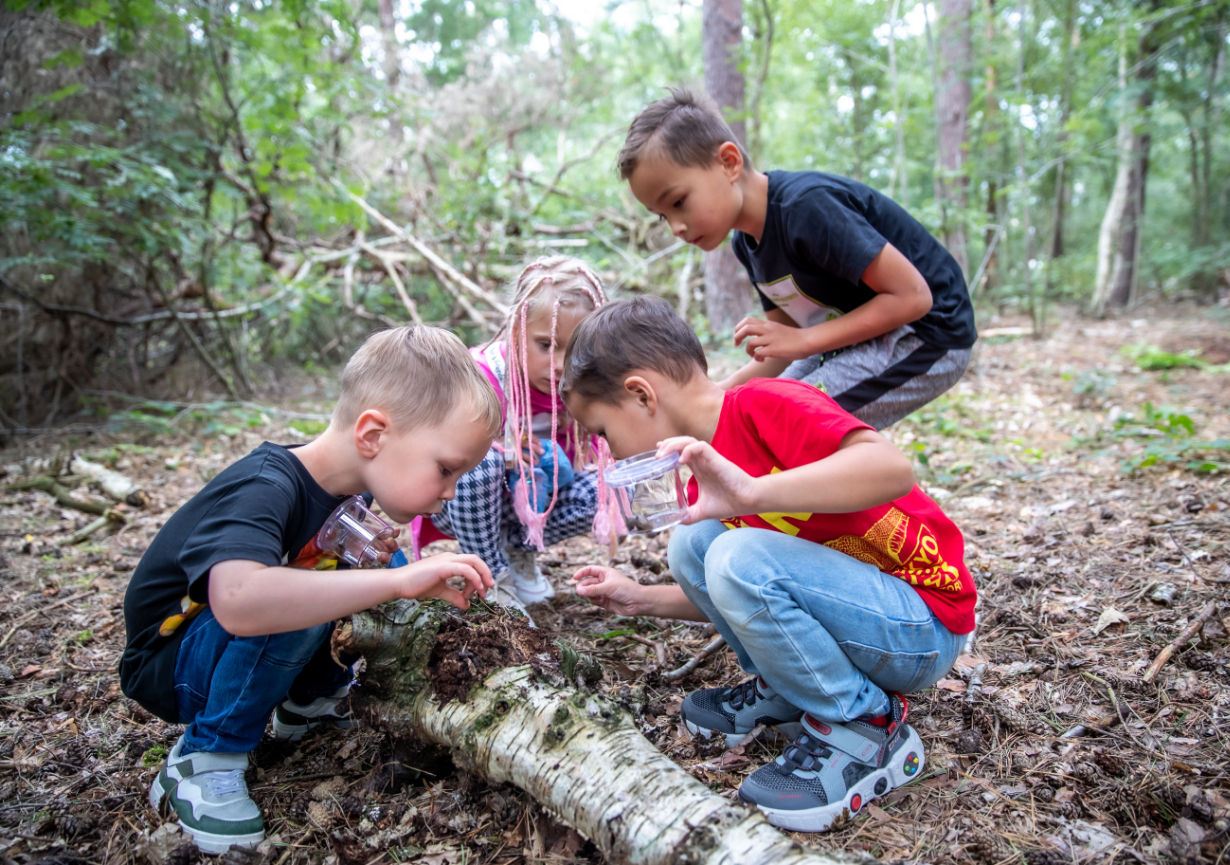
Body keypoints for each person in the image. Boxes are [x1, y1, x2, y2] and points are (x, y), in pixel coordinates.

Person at [561, 297, 976, 833]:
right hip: (860, 619)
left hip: (921, 626)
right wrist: (640, 599)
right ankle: (787, 690)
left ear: (641, 395)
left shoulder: (764, 404)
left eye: (602, 433)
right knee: (695, 545)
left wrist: (752, 492)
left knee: (734, 551)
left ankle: (865, 725)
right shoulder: (702, 476)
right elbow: (750, 594)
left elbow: (892, 467)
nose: (611, 455)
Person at [118, 325, 499, 854]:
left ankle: (308, 704)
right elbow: (238, 600)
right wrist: (393, 581)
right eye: (446, 470)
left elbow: (372, 582)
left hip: (221, 649)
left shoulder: (352, 495)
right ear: (372, 435)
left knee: (359, 567)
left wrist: (410, 584)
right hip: (173, 663)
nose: (449, 494)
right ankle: (204, 757)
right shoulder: (267, 486)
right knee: (307, 591)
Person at [616, 88, 977, 430]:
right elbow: (785, 345)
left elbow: (913, 297)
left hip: (926, 333)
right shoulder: (748, 243)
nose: (676, 227)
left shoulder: (806, 208)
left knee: (789, 421)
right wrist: (715, 396)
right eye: (663, 216)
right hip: (852, 336)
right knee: (759, 407)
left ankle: (879, 492)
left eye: (678, 201)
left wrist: (803, 342)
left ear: (728, 162)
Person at [410, 256, 614, 610]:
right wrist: (504, 451)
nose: (560, 364)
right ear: (516, 329)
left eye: (577, 348)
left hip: (533, 501)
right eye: (546, 345)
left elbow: (590, 462)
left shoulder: (581, 388)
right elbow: (441, 453)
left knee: (613, 485)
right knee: (481, 464)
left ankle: (520, 550)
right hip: (460, 501)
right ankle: (490, 575)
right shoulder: (480, 376)